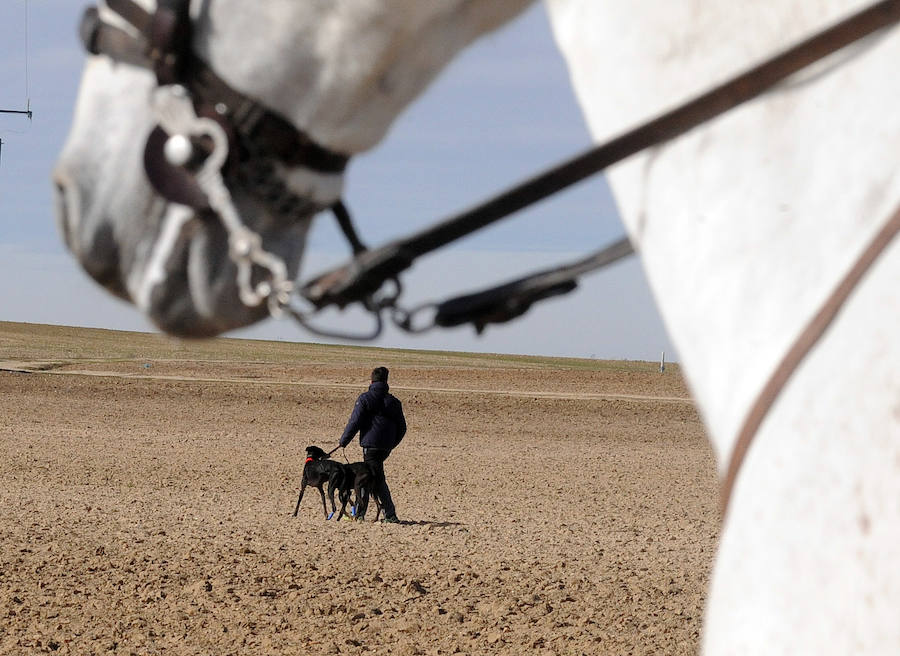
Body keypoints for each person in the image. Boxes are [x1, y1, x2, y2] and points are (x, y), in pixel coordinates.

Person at [337, 366, 406, 523]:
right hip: (385, 447)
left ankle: (384, 514)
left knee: (369, 478)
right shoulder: (394, 402)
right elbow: (402, 428)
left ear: (371, 380)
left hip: (371, 446)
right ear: (386, 381)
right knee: (374, 476)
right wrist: (391, 444)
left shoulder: (365, 398)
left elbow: (354, 422)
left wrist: (344, 441)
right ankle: (384, 513)